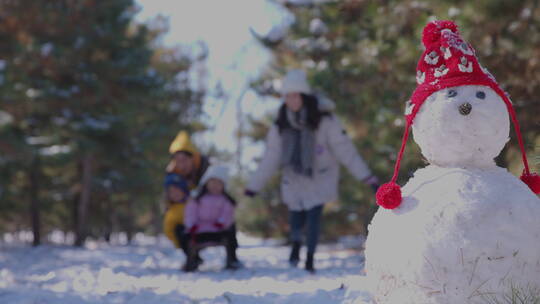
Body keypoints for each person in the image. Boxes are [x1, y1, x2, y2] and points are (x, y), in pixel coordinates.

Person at [245, 69, 379, 273]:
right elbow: (271, 156)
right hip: (294, 176)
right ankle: (296, 246)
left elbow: (344, 149)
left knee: (314, 216)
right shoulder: (281, 122)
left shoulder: (324, 120)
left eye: (296, 95)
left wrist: (366, 176)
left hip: (320, 175)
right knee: (296, 218)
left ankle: (309, 258)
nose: (292, 100)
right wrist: (254, 186)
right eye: (288, 96)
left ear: (304, 96)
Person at [162, 131, 209, 270]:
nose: (181, 165)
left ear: (192, 158)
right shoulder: (172, 172)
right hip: (184, 213)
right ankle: (192, 257)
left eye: (184, 160)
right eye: (177, 160)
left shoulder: (204, 166)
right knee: (178, 228)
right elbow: (168, 195)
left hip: (205, 211)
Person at [183, 165, 242, 272]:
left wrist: (222, 223)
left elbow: (227, 214)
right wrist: (191, 225)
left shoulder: (225, 200)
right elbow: (190, 213)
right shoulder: (197, 199)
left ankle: (232, 259)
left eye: (219, 183)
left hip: (218, 231)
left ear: (223, 185)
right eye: (212, 182)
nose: (215, 185)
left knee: (231, 233)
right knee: (185, 237)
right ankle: (192, 260)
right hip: (199, 230)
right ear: (206, 183)